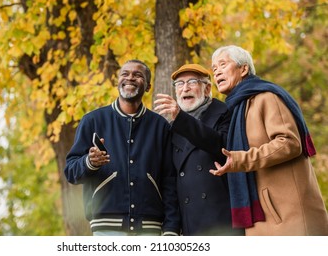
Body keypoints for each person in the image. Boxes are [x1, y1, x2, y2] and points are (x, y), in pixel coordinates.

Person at [209, 45, 328, 235]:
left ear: (244, 69)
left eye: (222, 65)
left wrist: (241, 160)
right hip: (260, 218)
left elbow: (290, 142)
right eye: (214, 69)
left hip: (289, 215)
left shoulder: (266, 97)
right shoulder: (233, 111)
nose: (217, 72)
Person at [64, 59, 180, 236]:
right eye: (125, 74)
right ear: (118, 81)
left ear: (148, 86)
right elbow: (70, 172)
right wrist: (89, 162)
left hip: (150, 229)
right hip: (105, 230)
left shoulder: (160, 126)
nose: (130, 78)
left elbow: (169, 181)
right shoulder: (92, 121)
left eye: (138, 75)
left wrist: (171, 229)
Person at [154, 64, 243, 236]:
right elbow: (170, 181)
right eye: (179, 84)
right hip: (190, 226)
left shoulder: (225, 112)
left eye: (192, 82)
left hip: (224, 221)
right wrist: (171, 227)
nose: (185, 88)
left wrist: (181, 118)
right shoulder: (173, 128)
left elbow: (221, 147)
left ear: (207, 88)